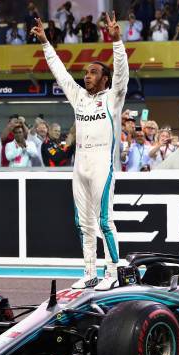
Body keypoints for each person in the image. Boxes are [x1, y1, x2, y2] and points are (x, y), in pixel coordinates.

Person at [31, 13, 128, 290]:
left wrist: (117, 41)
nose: (86, 75)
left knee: (105, 221)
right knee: (83, 223)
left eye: (93, 72)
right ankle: (89, 272)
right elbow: (59, 72)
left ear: (105, 79)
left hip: (101, 164)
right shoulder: (78, 98)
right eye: (85, 72)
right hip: (80, 164)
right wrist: (46, 44)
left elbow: (122, 72)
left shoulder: (113, 98)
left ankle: (111, 273)